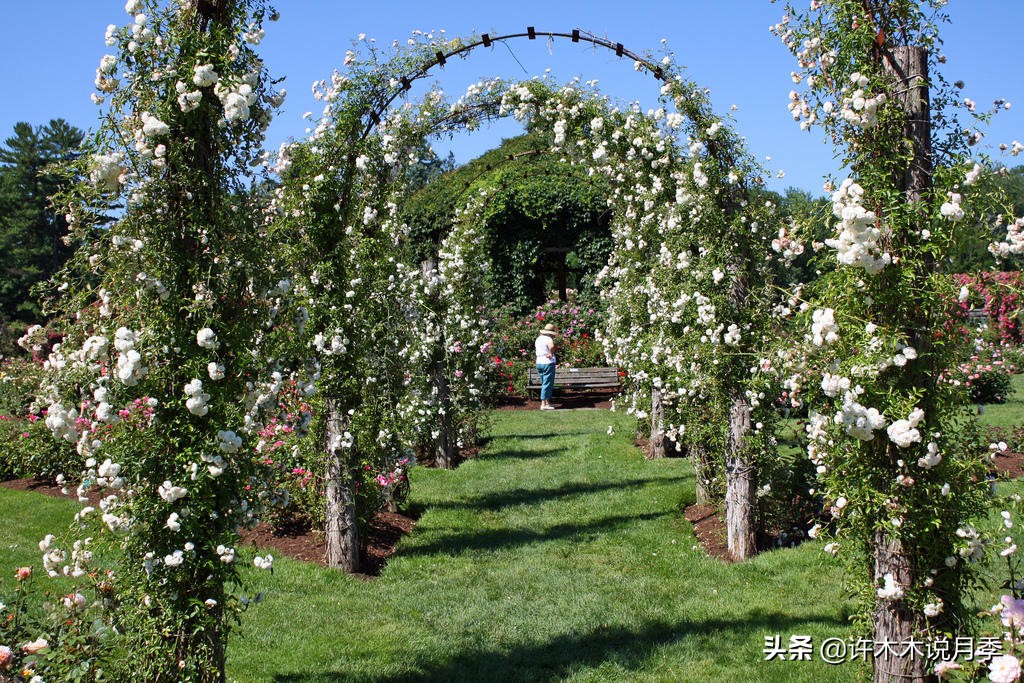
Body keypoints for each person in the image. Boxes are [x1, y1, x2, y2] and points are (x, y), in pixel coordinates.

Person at [535, 323, 558, 410]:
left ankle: (547, 403)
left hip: (539, 362)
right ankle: (543, 404)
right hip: (547, 362)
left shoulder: (538, 339)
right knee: (547, 383)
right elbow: (551, 346)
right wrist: (551, 353)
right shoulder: (548, 339)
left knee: (544, 383)